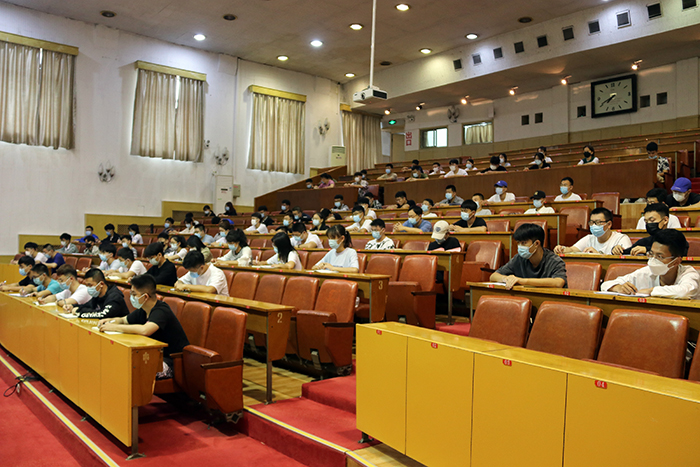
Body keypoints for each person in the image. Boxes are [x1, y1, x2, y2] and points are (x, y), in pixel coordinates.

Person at [97, 274, 190, 379]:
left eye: (134, 294)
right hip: (153, 355)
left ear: (145, 296)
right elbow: (124, 320)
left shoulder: (161, 310)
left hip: (172, 362)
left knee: (133, 369)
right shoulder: (143, 310)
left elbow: (145, 330)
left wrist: (114, 327)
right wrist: (110, 321)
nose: (131, 297)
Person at [601, 229, 699, 299]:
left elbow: (685, 291)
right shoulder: (647, 272)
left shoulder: (689, 273)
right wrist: (618, 287)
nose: (653, 260)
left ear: (677, 261)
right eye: (651, 254)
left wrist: (651, 291)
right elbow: (605, 285)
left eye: (660, 256)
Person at [490, 223, 568, 290]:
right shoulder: (518, 258)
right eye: (518, 243)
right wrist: (506, 279)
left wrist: (521, 281)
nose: (520, 247)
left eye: (523, 243)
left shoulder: (554, 260)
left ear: (537, 243)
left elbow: (558, 282)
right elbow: (493, 276)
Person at [554, 207, 632, 255]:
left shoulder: (621, 239)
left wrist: (598, 255)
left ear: (609, 224)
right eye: (592, 222)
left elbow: (627, 260)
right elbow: (572, 249)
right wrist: (562, 249)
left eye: (598, 222)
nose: (594, 226)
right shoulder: (589, 238)